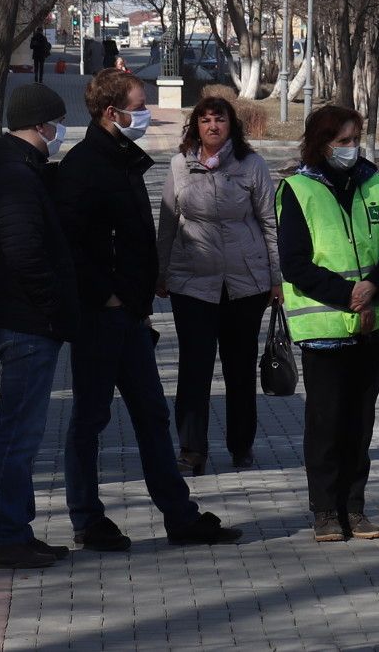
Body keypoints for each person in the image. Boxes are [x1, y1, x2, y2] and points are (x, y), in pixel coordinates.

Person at [57, 68, 242, 550]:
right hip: (102, 316)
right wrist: (108, 294)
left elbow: (135, 237)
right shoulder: (84, 166)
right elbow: (72, 247)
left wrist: (137, 299)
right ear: (110, 112)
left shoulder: (122, 160)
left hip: (131, 315)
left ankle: (180, 517)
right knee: (91, 419)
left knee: (152, 416)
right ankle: (87, 520)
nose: (145, 114)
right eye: (139, 106)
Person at [276, 105, 379, 543]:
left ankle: (355, 507)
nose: (352, 149)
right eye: (344, 141)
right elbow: (295, 264)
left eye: (357, 140)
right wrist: (346, 295)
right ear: (322, 143)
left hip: (374, 321)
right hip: (326, 326)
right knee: (327, 420)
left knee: (361, 420)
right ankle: (325, 511)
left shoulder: (372, 181)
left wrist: (371, 286)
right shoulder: (297, 189)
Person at [0, 83, 78, 569]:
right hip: (26, 322)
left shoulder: (17, 169)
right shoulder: (14, 177)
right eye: (56, 123)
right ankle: (3, 536)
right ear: (41, 125)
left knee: (22, 434)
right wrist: (55, 308)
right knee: (18, 435)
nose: (59, 131)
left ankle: (15, 529)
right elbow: (23, 254)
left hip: (22, 318)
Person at [156, 96, 282, 476]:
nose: (213, 126)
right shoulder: (180, 165)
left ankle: (241, 446)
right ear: (195, 126)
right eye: (205, 120)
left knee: (240, 370)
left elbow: (270, 223)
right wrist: (159, 273)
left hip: (245, 284)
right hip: (192, 283)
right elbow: (166, 223)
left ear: (232, 125)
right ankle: (192, 449)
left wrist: (277, 278)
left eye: (220, 120)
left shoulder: (252, 164)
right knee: (194, 369)